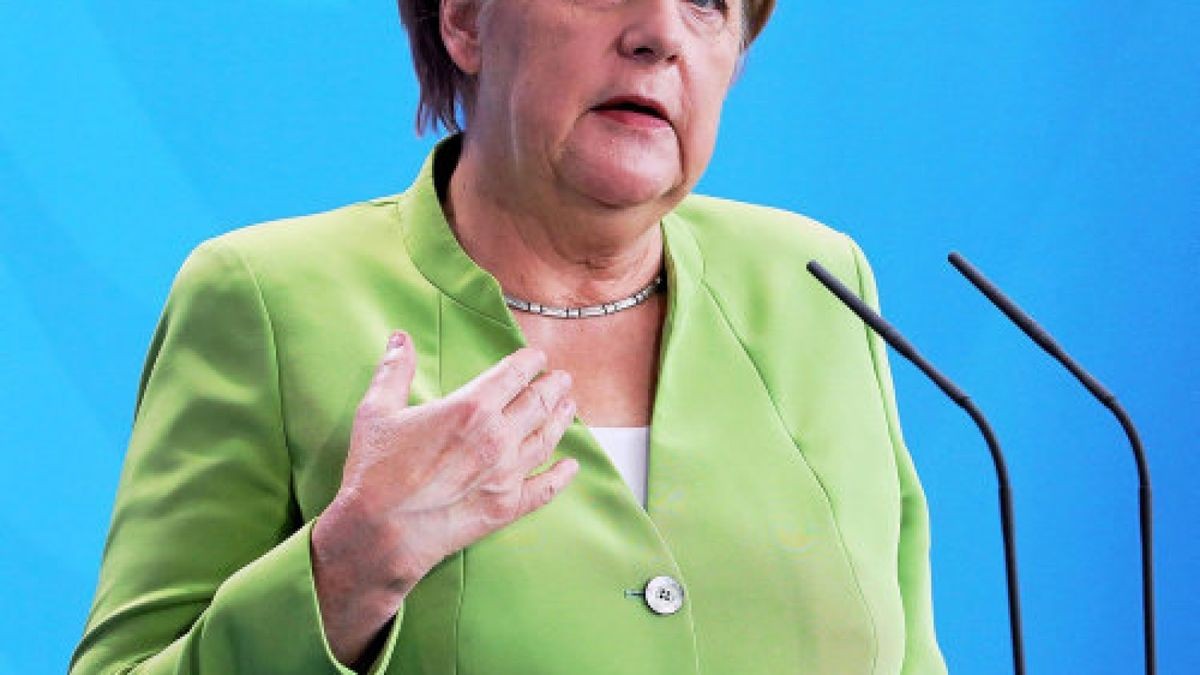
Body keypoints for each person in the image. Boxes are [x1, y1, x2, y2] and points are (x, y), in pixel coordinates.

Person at [71, 0, 948, 672]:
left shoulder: (817, 283)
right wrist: (344, 572)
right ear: (464, 20)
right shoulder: (267, 299)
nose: (658, 33)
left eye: (709, 2)